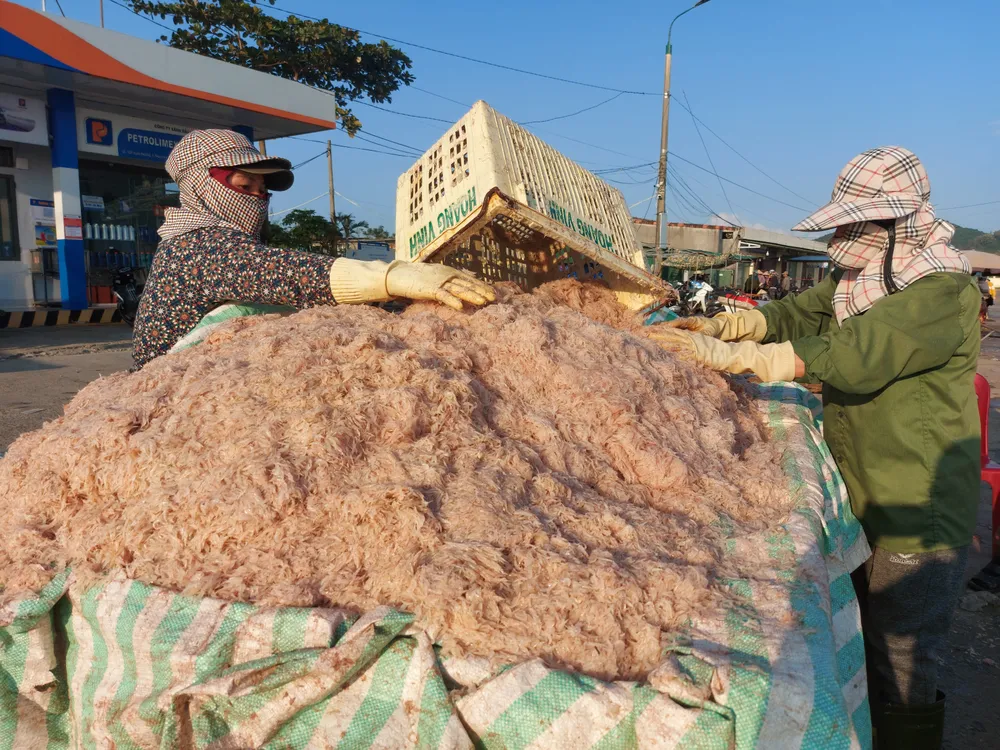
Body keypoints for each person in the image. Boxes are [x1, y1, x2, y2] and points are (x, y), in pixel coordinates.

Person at [649, 147, 977, 749]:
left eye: (857, 225)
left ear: (897, 224)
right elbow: (796, 313)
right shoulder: (860, 279)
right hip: (862, 493)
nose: (842, 236)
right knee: (859, 641)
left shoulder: (940, 292)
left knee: (901, 662)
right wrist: (729, 325)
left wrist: (742, 359)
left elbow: (852, 356)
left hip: (917, 508)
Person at [133, 130, 494, 368]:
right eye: (246, 183)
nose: (258, 196)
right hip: (166, 392)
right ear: (201, 184)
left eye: (263, 189)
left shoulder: (220, 242)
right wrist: (392, 275)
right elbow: (282, 273)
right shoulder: (196, 246)